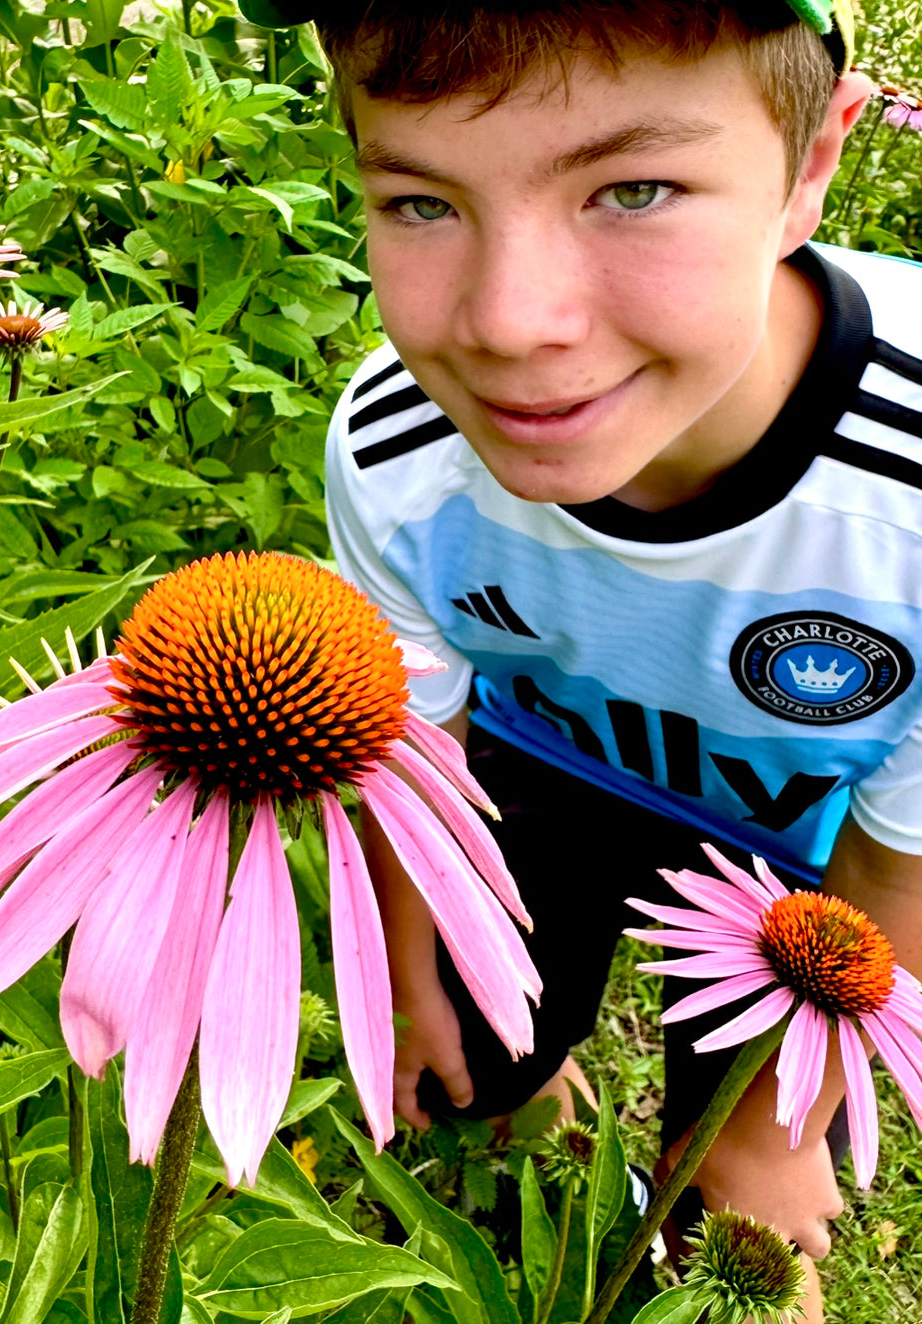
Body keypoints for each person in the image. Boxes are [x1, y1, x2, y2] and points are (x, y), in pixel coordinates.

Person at [239, 2, 922, 1318]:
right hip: (534, 777)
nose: (509, 324)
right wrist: (404, 963)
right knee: (482, 1053)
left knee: (721, 1191)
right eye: (423, 203)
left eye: (635, 188)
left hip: (808, 863)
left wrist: (772, 1132)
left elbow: (899, 862)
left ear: (812, 165)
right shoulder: (394, 448)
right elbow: (411, 741)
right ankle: (528, 1087)